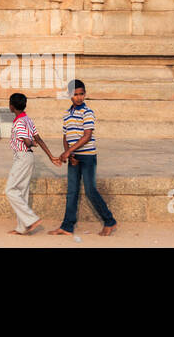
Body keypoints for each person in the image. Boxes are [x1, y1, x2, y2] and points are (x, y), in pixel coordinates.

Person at [50, 79, 119, 238]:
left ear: (85, 94)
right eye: (75, 94)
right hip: (75, 157)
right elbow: (66, 136)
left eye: (81, 94)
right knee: (72, 192)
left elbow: (87, 136)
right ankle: (67, 226)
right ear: (69, 95)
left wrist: (68, 153)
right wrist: (69, 153)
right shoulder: (67, 114)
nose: (79, 97)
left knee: (90, 190)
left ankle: (109, 221)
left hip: (87, 157)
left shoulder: (88, 112)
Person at [6, 92, 61, 235]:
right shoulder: (28, 119)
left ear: (11, 107)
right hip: (27, 157)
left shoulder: (19, 122)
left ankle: (31, 219)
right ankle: (22, 227)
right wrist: (50, 156)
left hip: (23, 156)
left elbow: (28, 141)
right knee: (22, 191)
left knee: (10, 190)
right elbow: (39, 138)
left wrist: (32, 143)